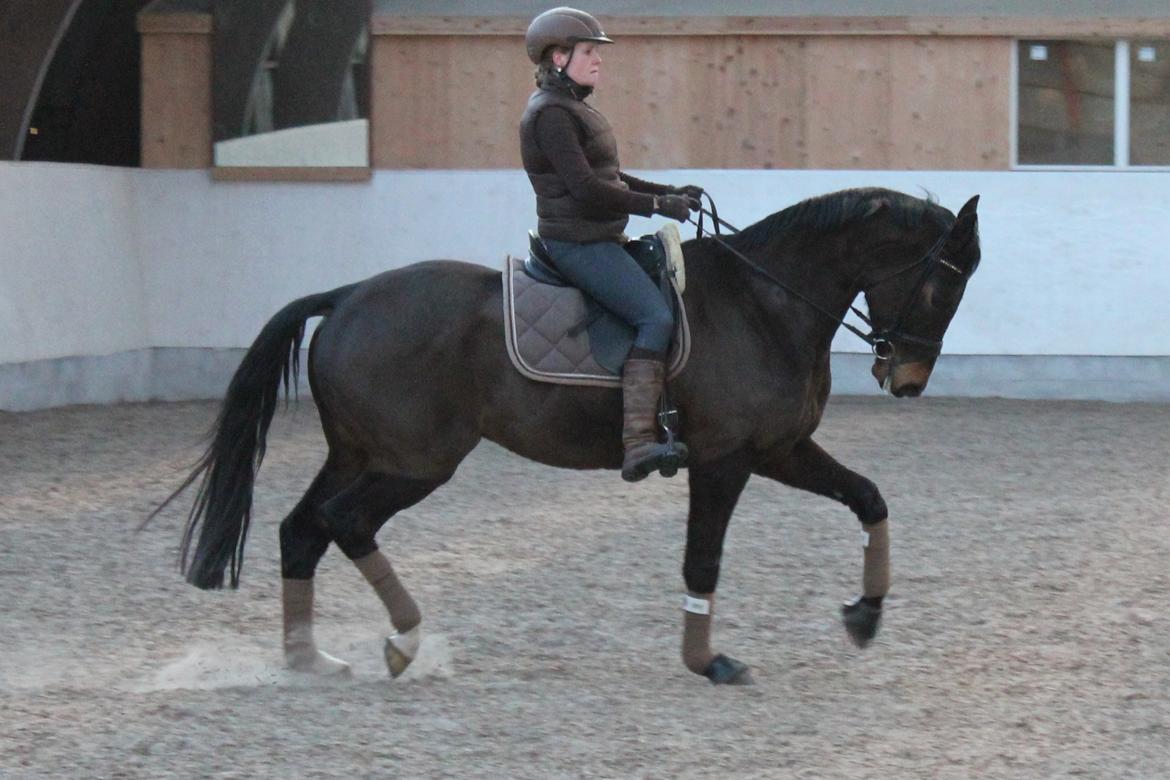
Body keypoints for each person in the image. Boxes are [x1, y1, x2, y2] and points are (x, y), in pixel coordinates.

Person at [520, 6, 703, 483]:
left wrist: (667, 193)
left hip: (600, 236)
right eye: (588, 51)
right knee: (654, 316)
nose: (598, 60)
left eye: (597, 52)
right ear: (558, 57)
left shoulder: (574, 108)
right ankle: (638, 441)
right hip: (577, 244)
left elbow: (609, 176)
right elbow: (586, 190)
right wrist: (658, 208)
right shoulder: (550, 115)